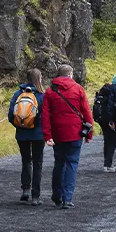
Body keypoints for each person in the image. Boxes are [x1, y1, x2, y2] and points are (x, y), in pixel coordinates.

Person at [41, 64, 94, 209]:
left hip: (57, 133)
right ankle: (67, 198)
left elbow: (45, 115)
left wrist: (47, 135)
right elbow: (87, 113)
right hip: (75, 133)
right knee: (72, 164)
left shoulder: (50, 91)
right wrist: (89, 133)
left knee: (59, 163)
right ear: (70, 74)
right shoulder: (78, 89)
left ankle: (57, 195)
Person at [8, 68, 45, 206]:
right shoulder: (42, 95)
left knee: (26, 161)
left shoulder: (18, 94)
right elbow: (45, 117)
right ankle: (35, 196)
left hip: (22, 134)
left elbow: (11, 116)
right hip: (38, 134)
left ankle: (25, 190)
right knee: (38, 163)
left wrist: (20, 126)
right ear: (39, 78)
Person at [92, 74, 116, 173]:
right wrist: (112, 121)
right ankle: (108, 164)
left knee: (107, 140)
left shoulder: (104, 90)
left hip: (100, 119)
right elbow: (111, 108)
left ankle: (106, 163)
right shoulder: (114, 92)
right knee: (112, 141)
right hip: (109, 120)